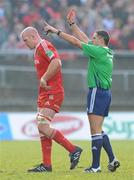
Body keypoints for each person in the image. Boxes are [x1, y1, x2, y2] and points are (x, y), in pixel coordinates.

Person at [43, 9, 120, 173]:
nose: (91, 39)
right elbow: (84, 39)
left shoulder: (98, 52)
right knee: (99, 129)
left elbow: (77, 42)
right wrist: (73, 25)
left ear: (100, 40)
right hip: (105, 94)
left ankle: (95, 166)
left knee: (94, 130)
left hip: (96, 92)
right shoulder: (106, 51)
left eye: (94, 37)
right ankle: (113, 159)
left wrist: (57, 31)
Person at [20, 26, 82, 173]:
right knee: (43, 129)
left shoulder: (44, 45)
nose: (24, 43)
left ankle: (73, 150)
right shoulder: (37, 49)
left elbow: (57, 62)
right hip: (44, 93)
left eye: (25, 40)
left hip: (53, 92)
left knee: (42, 126)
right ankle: (46, 165)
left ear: (33, 36)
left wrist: (44, 78)